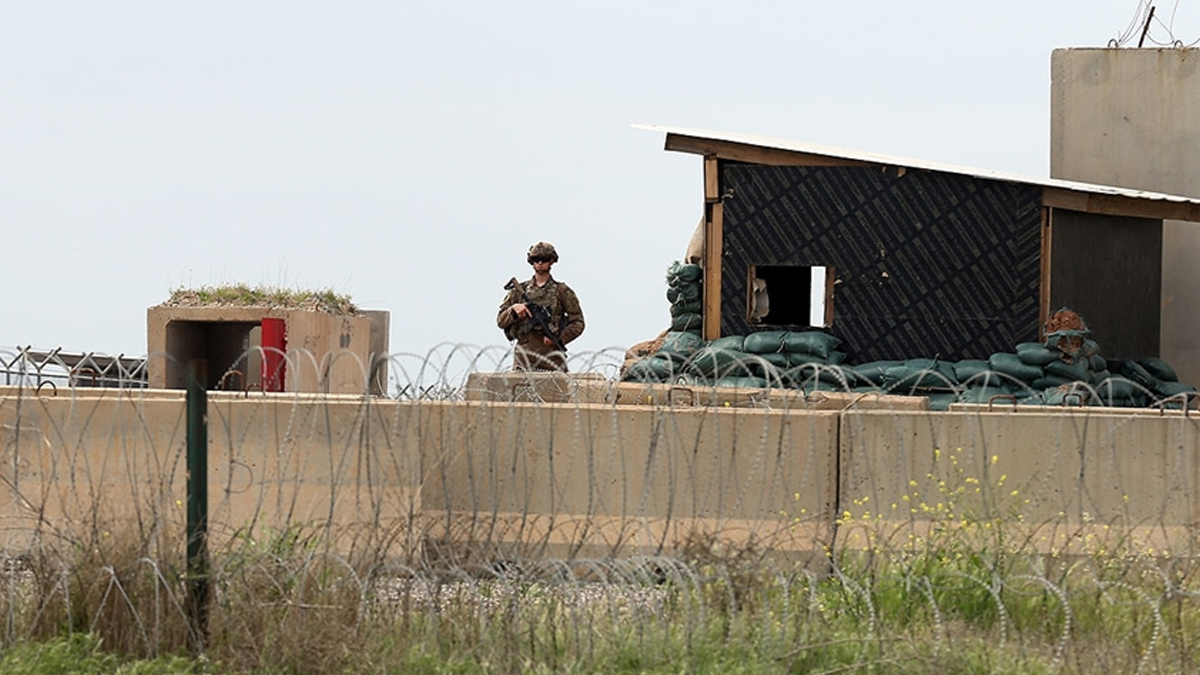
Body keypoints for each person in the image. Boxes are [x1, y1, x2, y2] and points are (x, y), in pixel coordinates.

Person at [497, 241, 585, 371]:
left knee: (557, 390)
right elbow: (500, 321)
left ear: (552, 261)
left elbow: (578, 322)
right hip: (524, 357)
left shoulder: (562, 291)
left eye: (544, 259)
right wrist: (514, 311)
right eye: (536, 259)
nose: (539, 263)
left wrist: (559, 338)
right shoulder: (518, 291)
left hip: (552, 357)